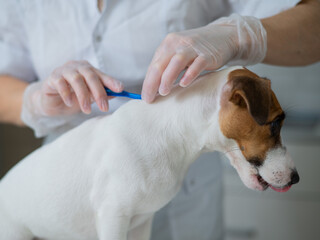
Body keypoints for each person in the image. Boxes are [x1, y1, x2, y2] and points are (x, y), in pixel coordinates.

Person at [0, 0, 319, 239]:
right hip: (58, 195)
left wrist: (243, 36)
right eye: (273, 126)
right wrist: (33, 100)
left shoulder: (237, 101)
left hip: (187, 202)